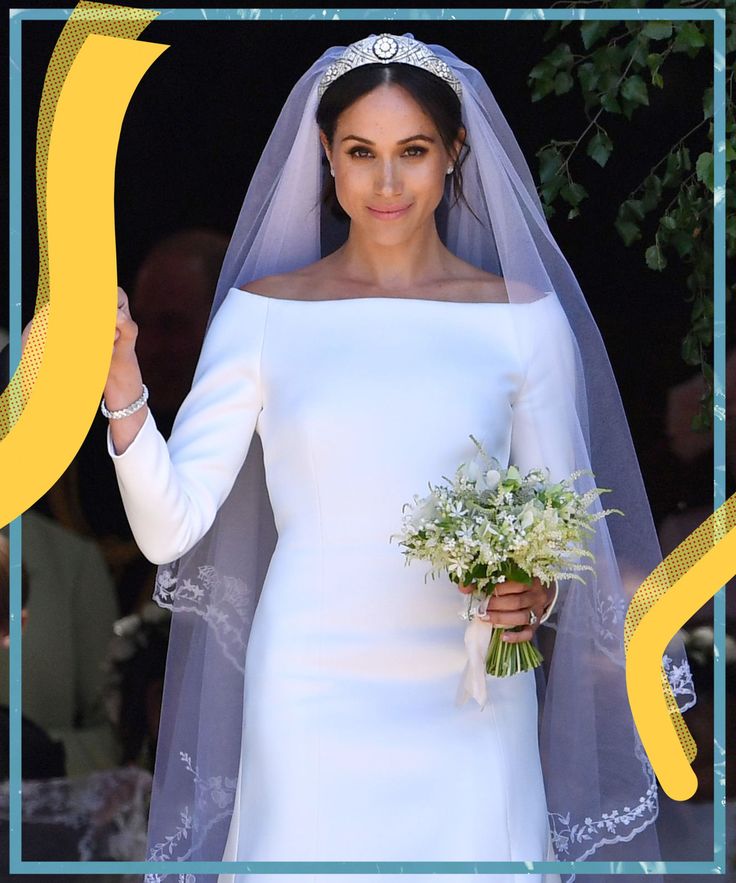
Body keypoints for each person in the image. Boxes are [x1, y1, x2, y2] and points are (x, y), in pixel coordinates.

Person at [102, 34, 695, 883]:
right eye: (361, 153)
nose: (386, 184)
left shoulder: (523, 322)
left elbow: (570, 535)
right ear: (327, 158)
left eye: (412, 151)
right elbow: (169, 529)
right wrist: (124, 387)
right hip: (307, 691)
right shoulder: (260, 315)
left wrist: (534, 590)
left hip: (472, 693)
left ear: (454, 153)